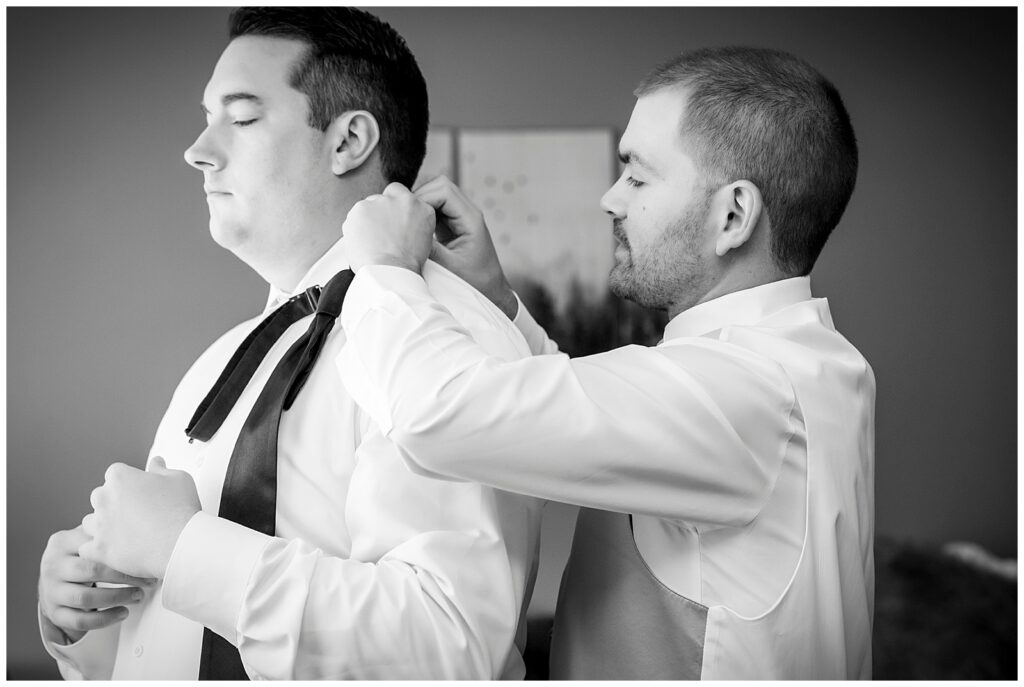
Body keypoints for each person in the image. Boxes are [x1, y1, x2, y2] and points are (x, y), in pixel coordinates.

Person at [336, 46, 875, 679]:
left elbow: (439, 413)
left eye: (638, 177)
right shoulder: (792, 365)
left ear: (733, 215)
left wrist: (384, 268)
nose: (610, 200)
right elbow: (590, 406)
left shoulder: (745, 389)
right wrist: (503, 303)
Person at [36, 7, 543, 679]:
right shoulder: (218, 365)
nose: (198, 150)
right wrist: (79, 616)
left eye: (241, 118)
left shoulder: (447, 340)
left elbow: (447, 645)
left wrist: (186, 547)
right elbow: (170, 633)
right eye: (207, 116)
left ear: (348, 141)